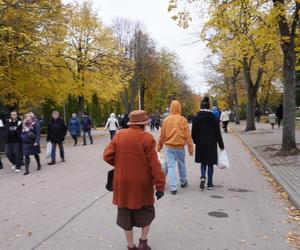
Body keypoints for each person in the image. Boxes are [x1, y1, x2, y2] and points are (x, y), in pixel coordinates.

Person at [103, 110, 165, 250]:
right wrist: (160, 186)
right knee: (147, 211)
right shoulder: (147, 138)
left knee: (125, 214)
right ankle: (143, 243)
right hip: (141, 183)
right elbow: (154, 165)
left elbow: (107, 156)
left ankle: (131, 246)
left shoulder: (119, 136)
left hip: (122, 181)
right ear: (144, 124)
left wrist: (121, 164)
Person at [157, 100, 194, 195]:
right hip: (180, 147)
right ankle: (183, 181)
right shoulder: (183, 120)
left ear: (170, 108)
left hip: (169, 147)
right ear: (179, 108)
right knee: (181, 164)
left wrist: (159, 147)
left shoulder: (166, 120)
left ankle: (173, 187)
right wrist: (190, 148)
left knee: (171, 166)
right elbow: (188, 136)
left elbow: (162, 136)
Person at [192, 96, 225, 190]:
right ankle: (210, 184)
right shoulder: (214, 118)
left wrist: (196, 141)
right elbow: (218, 133)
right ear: (209, 107)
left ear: (201, 107)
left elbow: (193, 133)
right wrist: (221, 146)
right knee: (210, 164)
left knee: (203, 163)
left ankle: (203, 177)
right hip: (211, 144)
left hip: (201, 144)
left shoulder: (196, 118)